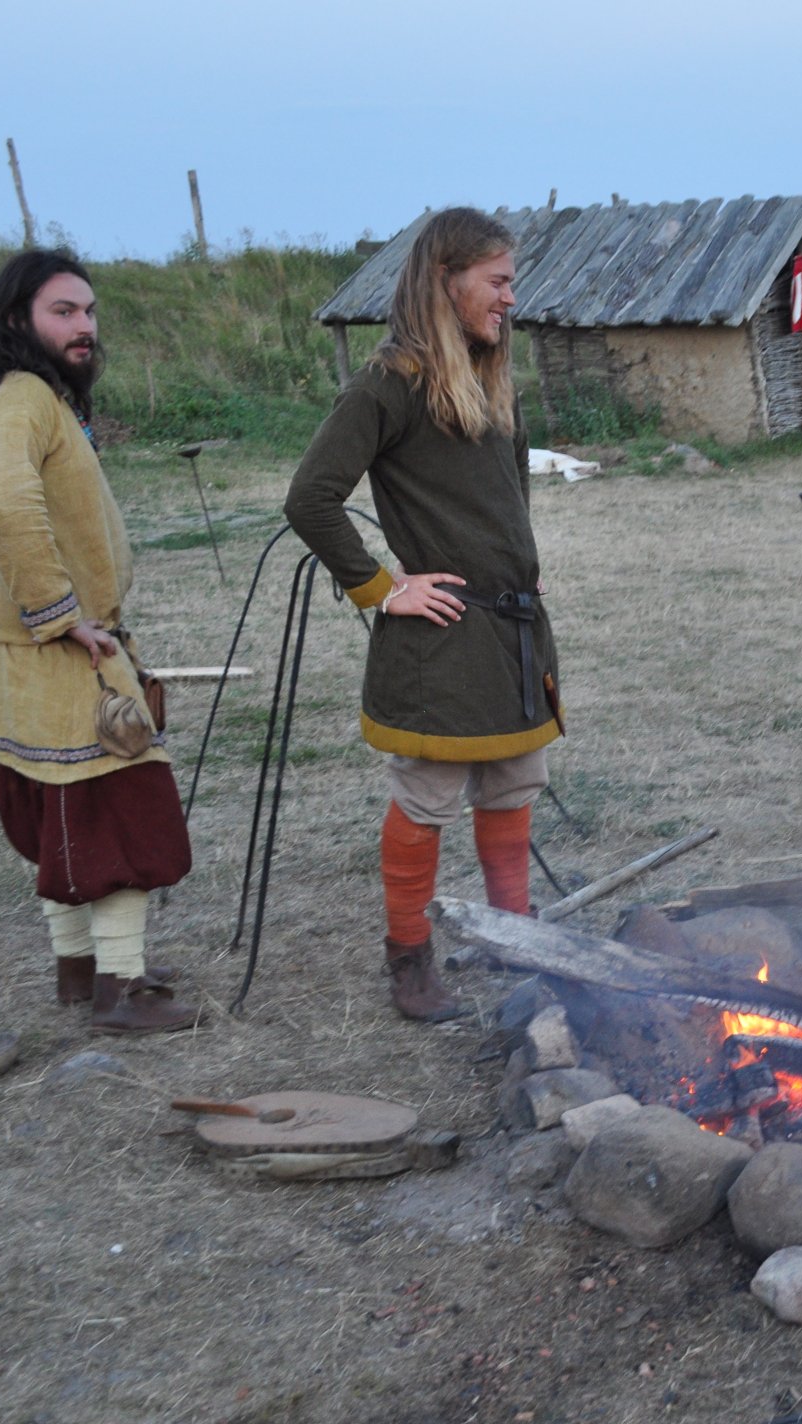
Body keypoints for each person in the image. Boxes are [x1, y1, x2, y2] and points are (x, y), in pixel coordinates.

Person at [286, 208, 563, 1023]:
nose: (511, 298)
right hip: (441, 641)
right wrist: (381, 588)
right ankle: (409, 961)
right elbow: (311, 498)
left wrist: (527, 576)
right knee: (427, 799)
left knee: (513, 786)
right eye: (498, 281)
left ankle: (516, 935)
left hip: (511, 631)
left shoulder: (491, 382)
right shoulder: (391, 382)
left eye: (512, 281)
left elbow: (509, 499)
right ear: (448, 279)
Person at [0, 250, 201, 1034]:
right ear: (19, 316)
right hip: (63, 657)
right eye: (64, 311)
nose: (85, 326)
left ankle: (78, 971)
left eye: (89, 311)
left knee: (64, 818)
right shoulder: (24, 396)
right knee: (122, 813)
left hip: (32, 657)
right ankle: (119, 989)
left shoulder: (25, 393)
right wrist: (60, 614)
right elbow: (6, 508)